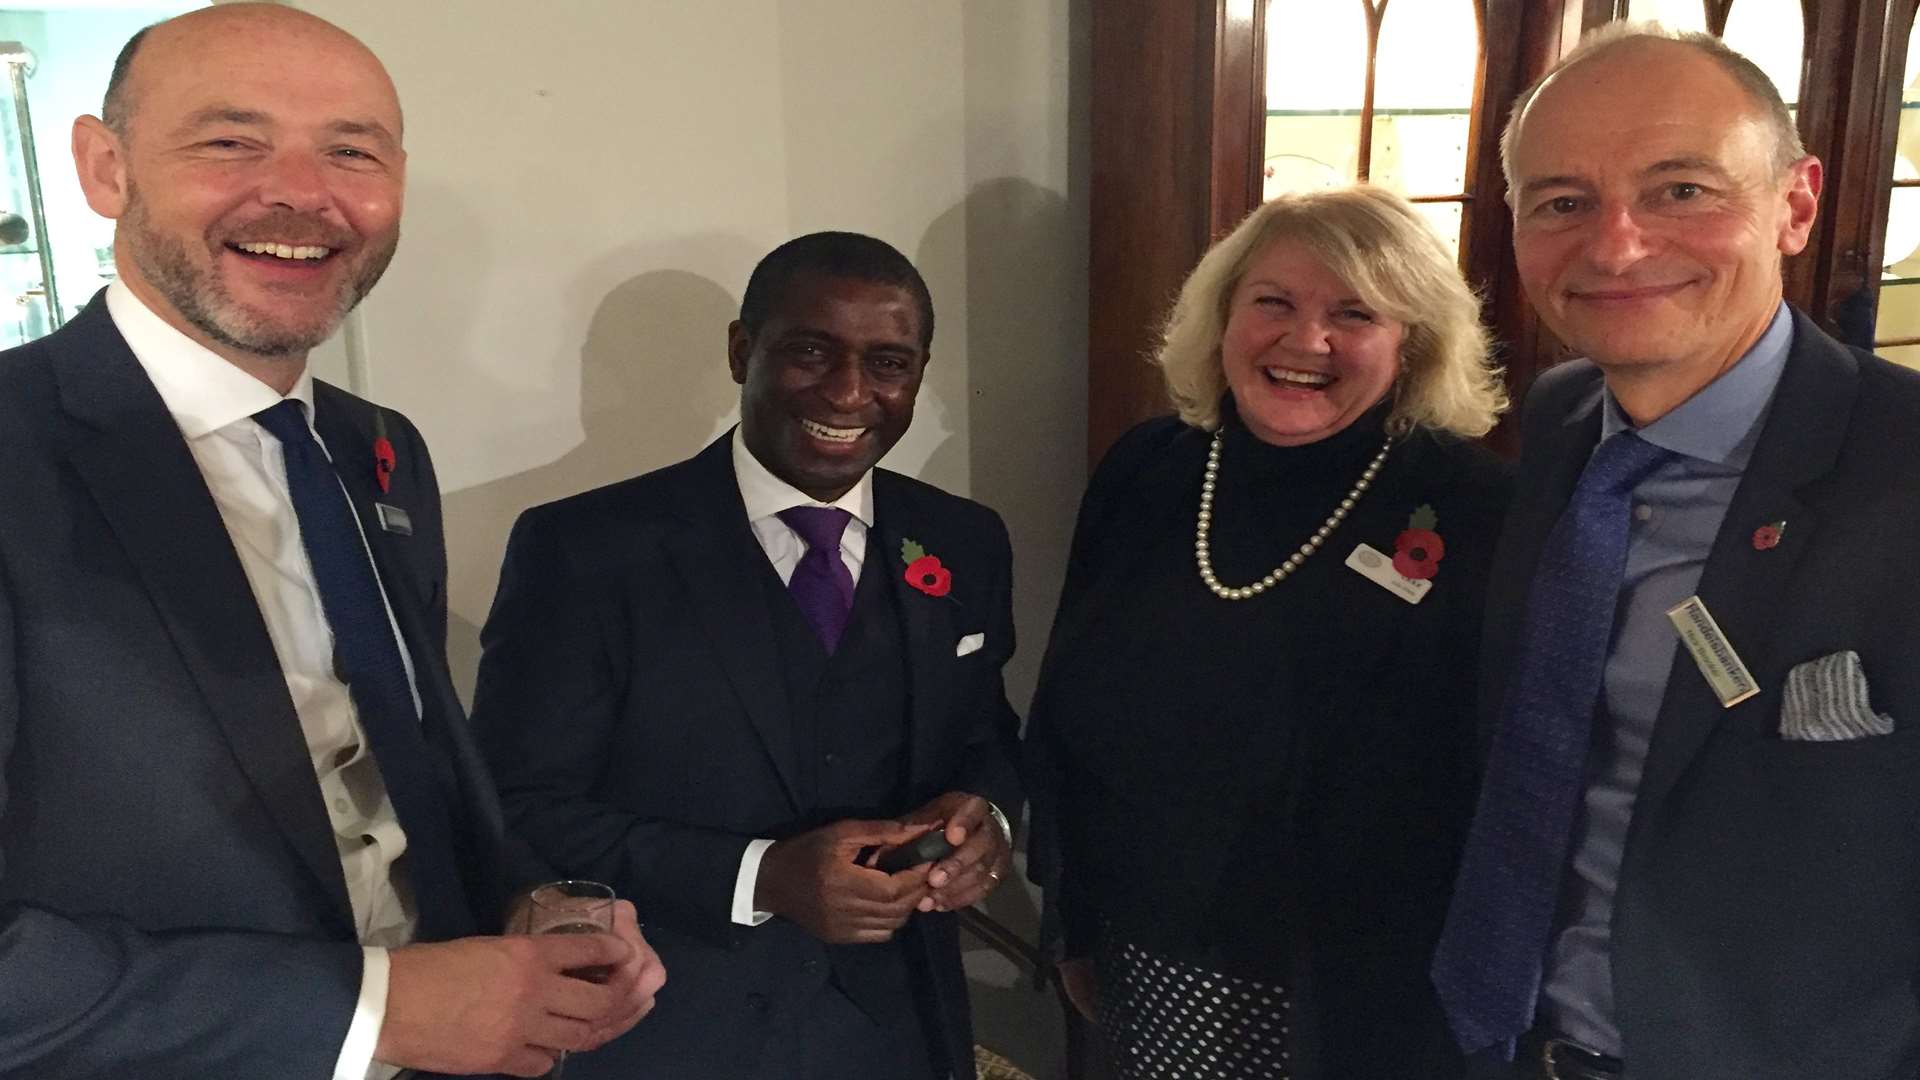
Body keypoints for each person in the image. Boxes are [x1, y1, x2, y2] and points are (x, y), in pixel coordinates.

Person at [0, 7, 663, 1078]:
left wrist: (532, 898)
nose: (304, 194)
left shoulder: (374, 448)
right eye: (231, 141)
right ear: (105, 167)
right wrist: (377, 1010)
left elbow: (404, 762)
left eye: (352, 151)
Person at [1430, 23, 1920, 1080]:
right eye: (1561, 201)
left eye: (1681, 190)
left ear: (1795, 204)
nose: (1615, 246)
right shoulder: (1561, 422)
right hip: (1510, 1043)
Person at [470, 231, 1023, 1080]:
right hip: (669, 1029)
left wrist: (985, 815)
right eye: (810, 351)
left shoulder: (963, 539)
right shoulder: (584, 549)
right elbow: (519, 804)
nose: (848, 392)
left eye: (888, 363)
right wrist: (762, 878)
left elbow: (987, 732)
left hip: (902, 1023)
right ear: (741, 351)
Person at [1025, 185, 1512, 1079]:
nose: (1305, 341)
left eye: (1355, 313)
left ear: (1413, 343)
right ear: (1223, 317)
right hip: (1142, 953)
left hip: (1356, 996)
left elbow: (1497, 780)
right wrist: (1072, 920)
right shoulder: (1148, 469)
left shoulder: (1477, 508)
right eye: (1274, 302)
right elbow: (1066, 702)